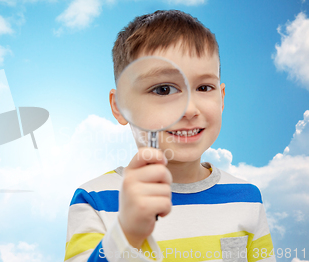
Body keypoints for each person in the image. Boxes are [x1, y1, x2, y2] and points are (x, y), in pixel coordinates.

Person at [63, 10, 275, 262]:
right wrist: (126, 234)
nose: (189, 109)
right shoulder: (95, 200)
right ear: (119, 106)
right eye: (164, 89)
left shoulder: (247, 197)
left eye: (204, 87)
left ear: (222, 98)